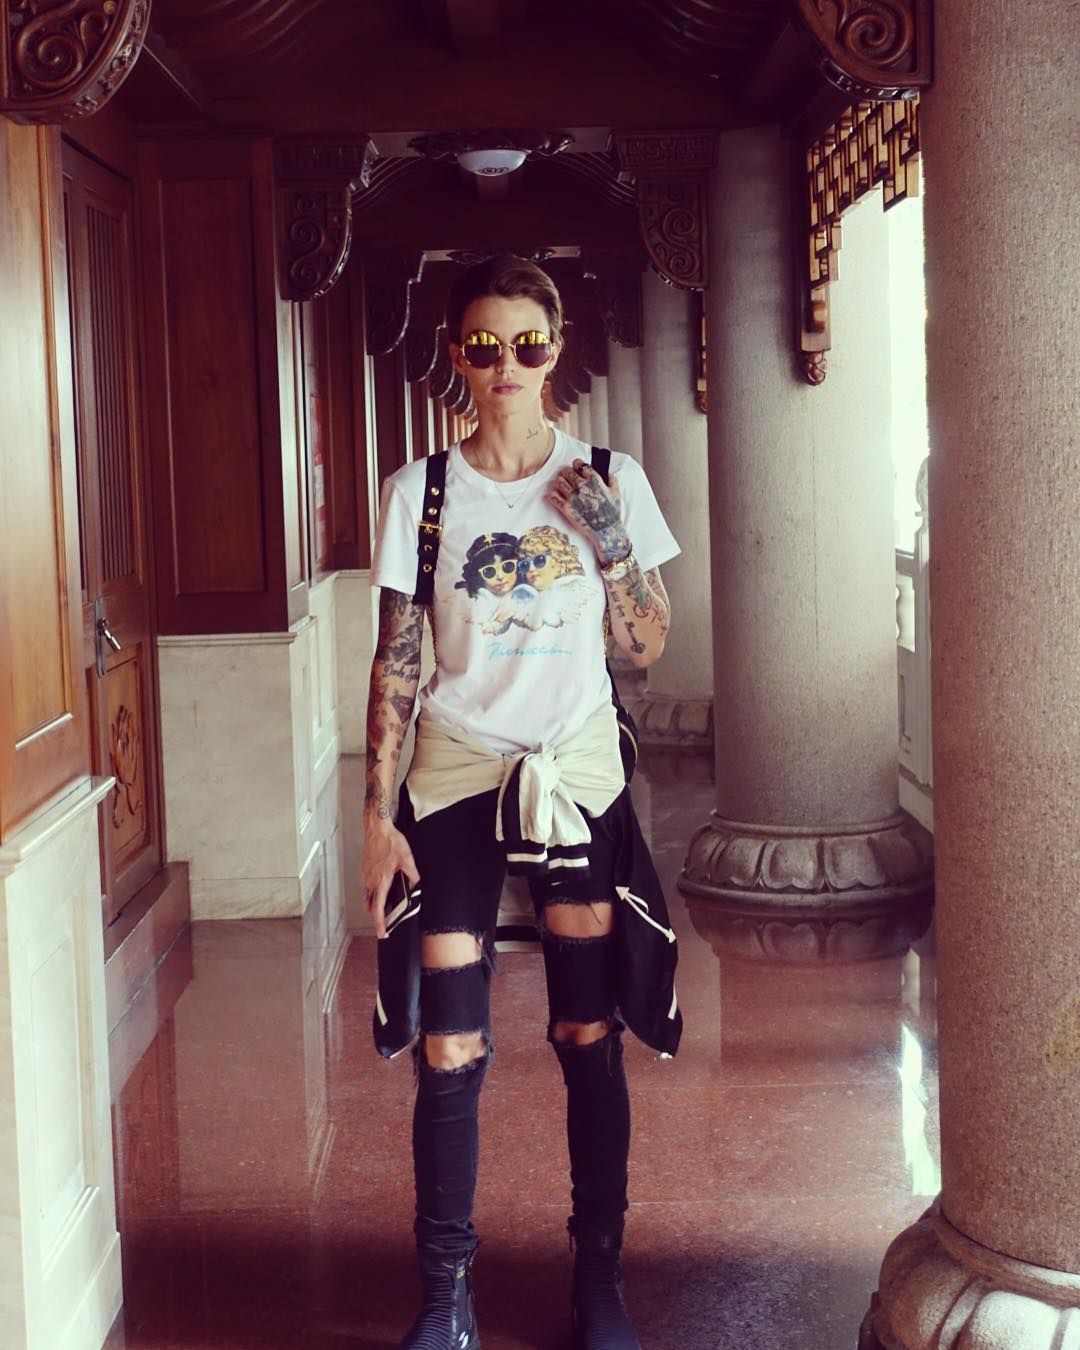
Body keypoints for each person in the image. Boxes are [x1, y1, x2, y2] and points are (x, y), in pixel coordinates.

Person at [362, 254, 682, 1350]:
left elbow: (643, 644)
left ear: (557, 351)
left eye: (529, 343)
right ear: (457, 356)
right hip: (456, 768)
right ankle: (444, 1293)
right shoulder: (421, 493)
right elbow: (398, 659)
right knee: (449, 1042)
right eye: (485, 345)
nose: (509, 364)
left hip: (572, 769)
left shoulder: (610, 475)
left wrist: (612, 538)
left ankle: (599, 1282)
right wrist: (374, 819)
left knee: (587, 1027)